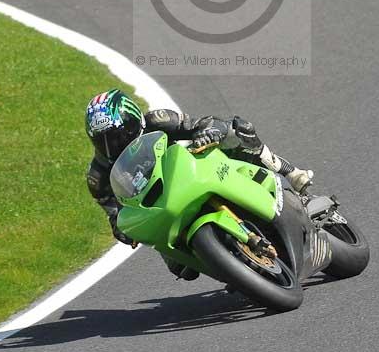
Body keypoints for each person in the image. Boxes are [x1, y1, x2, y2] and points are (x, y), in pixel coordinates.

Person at [85, 89, 314, 280]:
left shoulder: (159, 120)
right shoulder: (98, 176)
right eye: (102, 140)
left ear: (132, 120)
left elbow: (206, 123)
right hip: (162, 206)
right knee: (181, 268)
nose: (113, 144)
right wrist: (123, 230)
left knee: (239, 130)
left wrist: (208, 133)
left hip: (197, 170)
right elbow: (114, 214)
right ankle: (234, 268)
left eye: (118, 134)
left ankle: (291, 172)